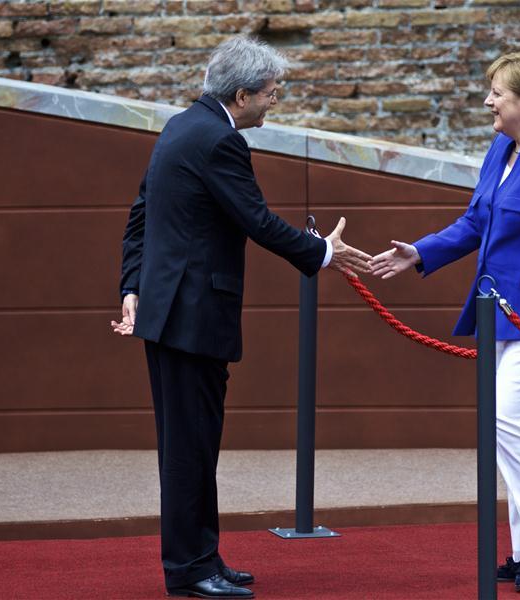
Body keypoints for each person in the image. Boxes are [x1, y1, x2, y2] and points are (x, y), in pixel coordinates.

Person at [111, 36, 371, 599]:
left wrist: (132, 286)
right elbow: (255, 219)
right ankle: (189, 570)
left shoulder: (182, 126)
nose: (274, 103)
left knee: (196, 446)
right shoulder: (220, 142)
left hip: (174, 315)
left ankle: (202, 558)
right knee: (189, 449)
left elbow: (140, 216)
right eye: (271, 94)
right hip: (191, 318)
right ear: (243, 92)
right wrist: (323, 252)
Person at [370, 51, 520, 592]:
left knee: (509, 422)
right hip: (500, 310)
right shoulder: (504, 147)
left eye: (496, 92)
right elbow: (477, 219)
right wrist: (420, 253)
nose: (487, 101)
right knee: (517, 428)